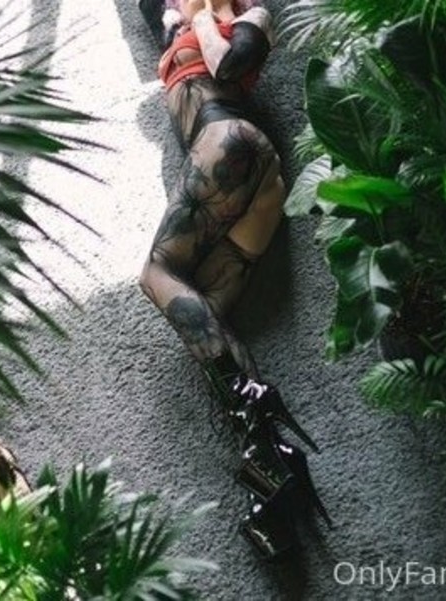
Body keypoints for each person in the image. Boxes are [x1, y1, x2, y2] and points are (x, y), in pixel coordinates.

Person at [136, 0, 329, 560]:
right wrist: (185, 17)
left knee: (157, 273)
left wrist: (202, 18)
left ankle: (262, 428)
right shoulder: (173, 24)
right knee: (206, 321)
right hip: (259, 182)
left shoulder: (251, 18)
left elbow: (229, 64)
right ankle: (273, 475)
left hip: (230, 141)